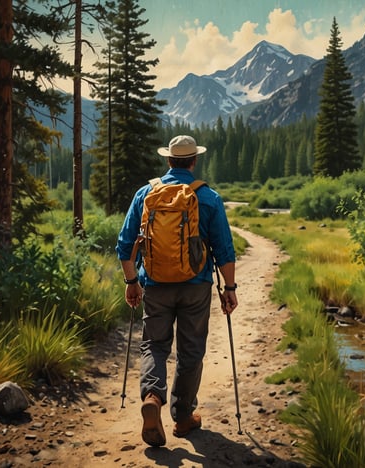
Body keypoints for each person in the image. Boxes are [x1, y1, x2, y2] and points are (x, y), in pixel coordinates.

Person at [116, 135, 238, 447]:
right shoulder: (208, 197)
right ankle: (183, 417)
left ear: (169, 160)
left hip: (155, 284)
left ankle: (152, 399)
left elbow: (125, 245)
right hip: (196, 287)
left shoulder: (146, 193)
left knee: (154, 345)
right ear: (194, 161)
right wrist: (230, 288)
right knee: (191, 350)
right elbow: (224, 249)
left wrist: (132, 282)